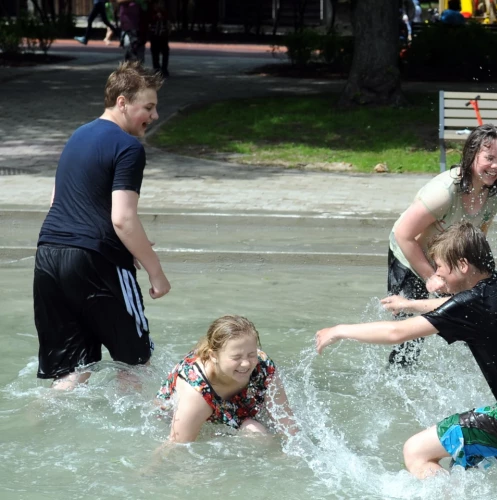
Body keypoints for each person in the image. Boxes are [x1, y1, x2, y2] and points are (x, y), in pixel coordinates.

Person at [316, 223, 497, 477]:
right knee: (467, 467)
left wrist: (339, 330)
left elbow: (397, 333)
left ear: (463, 265)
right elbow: (457, 306)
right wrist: (412, 304)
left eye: (440, 269)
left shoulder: (471, 304)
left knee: (416, 452)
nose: (437, 278)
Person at [33, 61, 169, 390]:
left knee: (71, 372)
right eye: (148, 107)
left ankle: (44, 427)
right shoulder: (128, 147)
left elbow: (57, 202)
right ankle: (134, 440)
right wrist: (156, 272)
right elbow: (122, 218)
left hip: (48, 256)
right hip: (95, 261)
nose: (153, 116)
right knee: (136, 364)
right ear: (122, 102)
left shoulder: (77, 137)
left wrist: (129, 244)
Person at [385, 124, 497, 367]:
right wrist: (430, 277)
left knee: (467, 317)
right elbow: (403, 234)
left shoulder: (493, 195)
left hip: (445, 262)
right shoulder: (444, 192)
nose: (496, 166)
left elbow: (476, 239)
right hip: (410, 256)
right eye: (489, 158)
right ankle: (398, 376)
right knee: (411, 333)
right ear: (472, 155)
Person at [157, 315, 297, 443]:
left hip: (236, 407)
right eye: (236, 357)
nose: (246, 363)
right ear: (213, 356)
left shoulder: (263, 367)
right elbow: (176, 447)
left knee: (257, 433)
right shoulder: (196, 392)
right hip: (190, 407)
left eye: (251, 354)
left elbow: (288, 425)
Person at [148, 0, 170, 77]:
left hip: (163, 36)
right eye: (157, 4)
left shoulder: (165, 13)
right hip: (154, 36)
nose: (159, 6)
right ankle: (157, 68)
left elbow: (168, 22)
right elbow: (149, 21)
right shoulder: (151, 12)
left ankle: (164, 69)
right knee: (155, 53)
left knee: (165, 52)